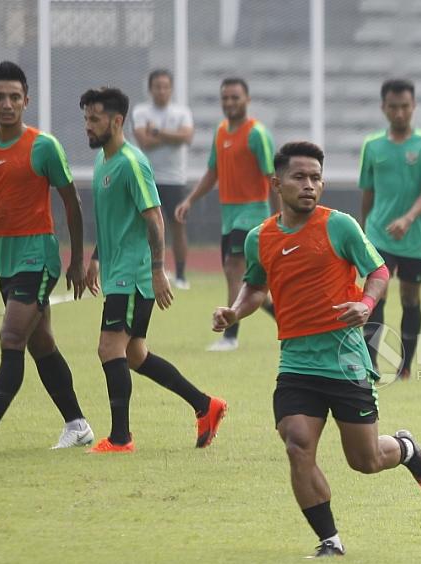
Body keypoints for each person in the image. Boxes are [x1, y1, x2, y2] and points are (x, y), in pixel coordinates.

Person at [212, 141, 421, 558]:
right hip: (297, 363)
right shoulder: (260, 238)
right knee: (297, 444)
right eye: (299, 177)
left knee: (365, 460)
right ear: (276, 183)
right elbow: (255, 286)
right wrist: (235, 311)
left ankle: (406, 448)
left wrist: (366, 304)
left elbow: (378, 271)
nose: (309, 185)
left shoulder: (340, 226)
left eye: (316, 178)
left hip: (345, 362)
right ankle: (330, 540)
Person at [0, 60, 94, 454]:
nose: (7, 104)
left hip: (39, 255)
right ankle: (78, 424)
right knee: (40, 343)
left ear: (26, 101)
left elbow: (72, 203)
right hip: (6, 258)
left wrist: (76, 260)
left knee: (11, 335)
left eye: (15, 96)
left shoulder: (44, 146)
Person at [79, 86, 228, 453]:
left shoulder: (132, 163)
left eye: (95, 119)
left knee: (109, 348)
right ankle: (205, 405)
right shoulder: (102, 161)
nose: (88, 126)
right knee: (134, 354)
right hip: (117, 272)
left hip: (133, 276)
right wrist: (96, 257)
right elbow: (115, 220)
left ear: (117, 121)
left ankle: (121, 438)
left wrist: (159, 270)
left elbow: (154, 219)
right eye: (86, 118)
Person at [175, 77, 278, 351]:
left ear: (247, 100)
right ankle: (291, 321)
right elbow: (213, 171)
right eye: (225, 98)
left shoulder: (256, 134)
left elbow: (273, 178)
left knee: (234, 269)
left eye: (235, 97)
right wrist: (190, 200)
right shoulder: (220, 131)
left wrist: (282, 219)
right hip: (229, 216)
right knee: (247, 281)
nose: (230, 102)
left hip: (253, 214)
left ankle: (230, 336)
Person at [359, 78, 421, 379]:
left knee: (410, 298)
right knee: (376, 295)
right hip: (378, 235)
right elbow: (367, 192)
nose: (399, 113)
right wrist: (361, 235)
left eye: (405, 106)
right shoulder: (372, 146)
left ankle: (405, 367)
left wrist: (408, 219)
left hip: (415, 238)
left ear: (414, 106)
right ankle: (370, 364)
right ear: (383, 107)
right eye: (393, 107)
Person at [131, 68, 194, 289]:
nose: (161, 91)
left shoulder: (182, 112)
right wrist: (172, 136)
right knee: (146, 227)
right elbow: (144, 142)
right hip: (146, 178)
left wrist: (157, 132)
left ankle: (181, 275)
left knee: (178, 225)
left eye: (165, 86)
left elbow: (186, 137)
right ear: (150, 89)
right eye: (157, 86)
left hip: (175, 179)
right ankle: (149, 271)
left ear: (171, 89)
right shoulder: (140, 111)